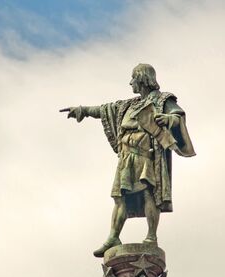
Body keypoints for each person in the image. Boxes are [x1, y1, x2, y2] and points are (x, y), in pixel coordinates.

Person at [61, 63, 195, 257]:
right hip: (126, 157)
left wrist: (167, 119)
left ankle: (151, 236)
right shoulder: (128, 105)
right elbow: (105, 109)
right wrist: (82, 110)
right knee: (120, 198)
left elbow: (178, 116)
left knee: (149, 193)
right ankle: (113, 237)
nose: (130, 82)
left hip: (145, 155)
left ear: (142, 78)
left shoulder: (162, 100)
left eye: (133, 78)